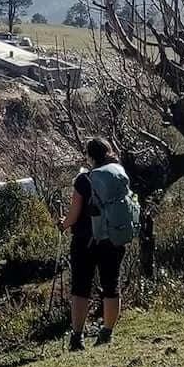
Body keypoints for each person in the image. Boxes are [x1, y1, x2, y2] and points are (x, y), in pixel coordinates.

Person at [58, 137, 127, 350]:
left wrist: (63, 224)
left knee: (80, 288)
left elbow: (74, 214)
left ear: (89, 156)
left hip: (85, 241)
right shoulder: (119, 174)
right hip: (114, 238)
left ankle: (77, 337)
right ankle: (107, 333)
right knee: (111, 285)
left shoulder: (83, 180)